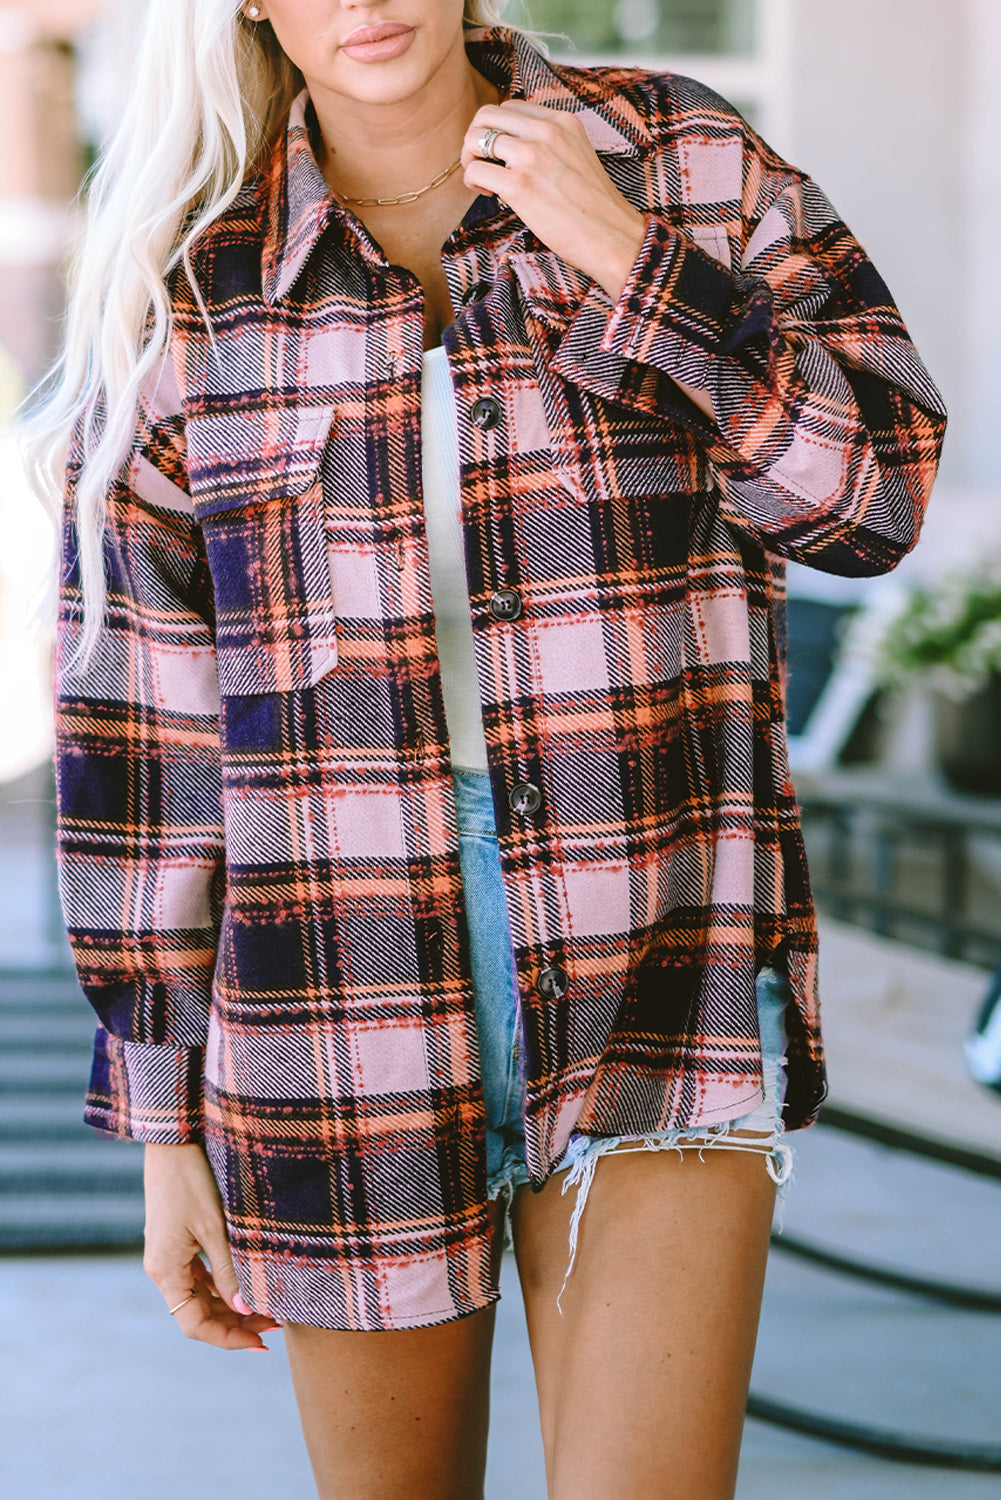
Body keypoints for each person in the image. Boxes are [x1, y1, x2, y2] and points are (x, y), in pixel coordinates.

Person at [35, 2, 947, 1497]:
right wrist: (159, 1125)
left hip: (657, 954)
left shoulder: (677, 161)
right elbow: (144, 738)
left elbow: (871, 500)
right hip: (336, 1002)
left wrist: (630, 263)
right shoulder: (196, 285)